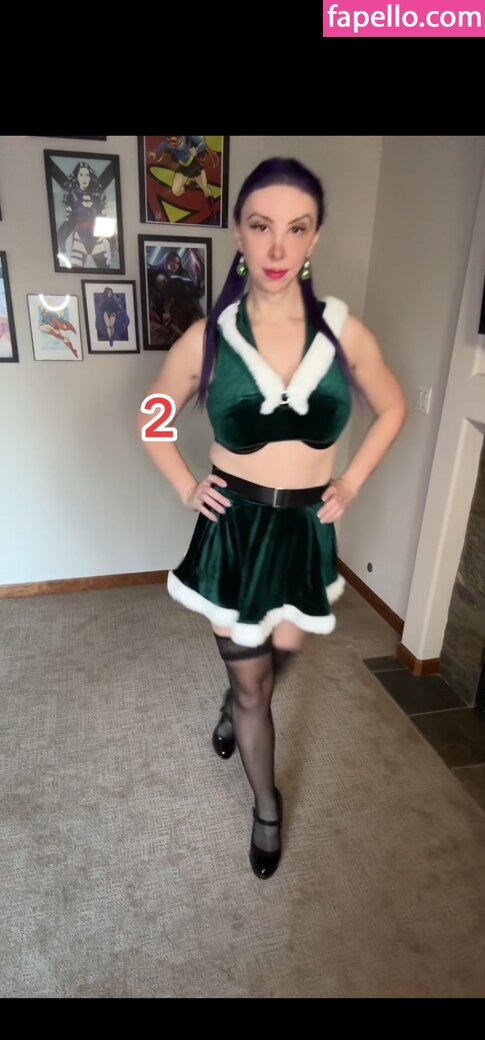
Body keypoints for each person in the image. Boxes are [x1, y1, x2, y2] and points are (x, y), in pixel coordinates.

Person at [137, 157, 407, 880]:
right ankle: (266, 806)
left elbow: (393, 407)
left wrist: (351, 479)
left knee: (280, 649)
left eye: (296, 228)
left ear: (315, 236)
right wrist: (185, 486)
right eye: (261, 226)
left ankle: (233, 704)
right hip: (234, 533)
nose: (278, 247)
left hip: (304, 534)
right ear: (238, 233)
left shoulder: (344, 334)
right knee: (255, 684)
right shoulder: (208, 339)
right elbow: (152, 417)